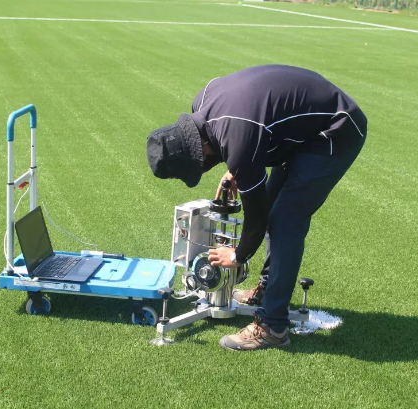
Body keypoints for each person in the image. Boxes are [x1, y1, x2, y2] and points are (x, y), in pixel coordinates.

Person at [146, 65, 367, 351]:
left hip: (335, 129)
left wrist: (238, 255)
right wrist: (237, 167)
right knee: (277, 208)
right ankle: (266, 291)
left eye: (201, 162)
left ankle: (272, 327)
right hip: (305, 128)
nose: (206, 164)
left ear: (199, 146)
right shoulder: (202, 101)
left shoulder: (237, 137)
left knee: (285, 219)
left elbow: (257, 214)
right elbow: (247, 131)